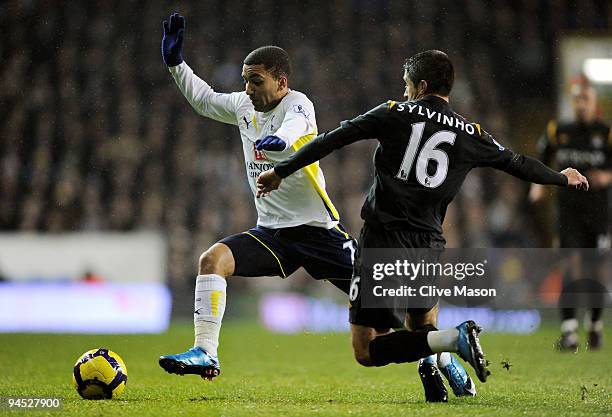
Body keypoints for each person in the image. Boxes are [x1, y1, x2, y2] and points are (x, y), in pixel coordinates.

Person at [258, 50, 589, 401]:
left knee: (367, 349)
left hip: (383, 238)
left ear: (422, 85)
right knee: (421, 325)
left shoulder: (393, 112)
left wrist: (281, 171)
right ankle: (431, 370)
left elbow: (333, 139)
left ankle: (454, 339)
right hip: (429, 243)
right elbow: (517, 162)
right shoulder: (470, 131)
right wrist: (560, 177)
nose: (404, 92)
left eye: (407, 85)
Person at [158, 13, 356, 380]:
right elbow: (204, 100)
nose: (247, 88)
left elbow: (296, 127)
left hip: (319, 233)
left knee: (386, 305)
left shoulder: (298, 104)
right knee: (212, 259)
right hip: (273, 234)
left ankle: (439, 355)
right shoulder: (244, 106)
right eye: (245, 80)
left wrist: (280, 142)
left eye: (255, 80)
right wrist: (176, 64)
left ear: (281, 82)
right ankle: (206, 352)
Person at [529, 75, 611, 351]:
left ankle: (596, 325)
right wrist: (537, 186)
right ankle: (569, 331)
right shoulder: (558, 131)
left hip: (599, 214)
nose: (580, 104)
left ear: (594, 103)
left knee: (597, 270)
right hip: (568, 212)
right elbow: (542, 159)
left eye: (585, 99)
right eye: (576, 99)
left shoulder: (606, 133)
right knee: (571, 266)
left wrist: (607, 176)